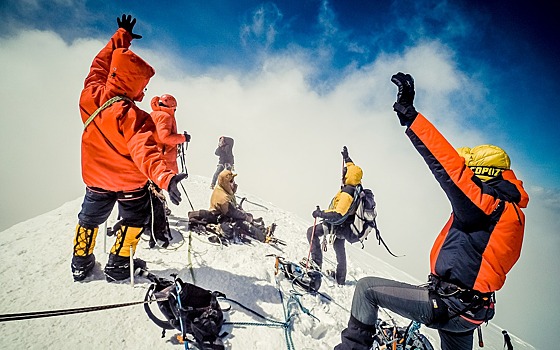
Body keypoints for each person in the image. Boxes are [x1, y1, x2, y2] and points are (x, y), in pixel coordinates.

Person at [335, 72, 529, 350]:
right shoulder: (513, 211)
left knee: (367, 289)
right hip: (473, 311)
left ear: (483, 173)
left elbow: (450, 167)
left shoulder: (486, 204)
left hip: (449, 305)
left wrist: (409, 115)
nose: (470, 178)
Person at [72, 14, 187, 282]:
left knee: (88, 219)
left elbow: (99, 66)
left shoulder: (90, 96)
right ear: (133, 83)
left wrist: (121, 36)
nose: (145, 92)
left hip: (96, 180)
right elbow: (145, 152)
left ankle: (80, 262)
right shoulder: (135, 117)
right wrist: (165, 178)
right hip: (129, 185)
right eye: (143, 85)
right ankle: (119, 264)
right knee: (134, 220)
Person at [307, 146, 363, 286]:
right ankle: (340, 279)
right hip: (346, 227)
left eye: (345, 172)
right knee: (339, 247)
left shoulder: (347, 194)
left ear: (349, 176)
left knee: (312, 232)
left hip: (337, 225)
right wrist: (347, 157)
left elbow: (338, 214)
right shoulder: (356, 185)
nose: (343, 173)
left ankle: (316, 264)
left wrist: (320, 213)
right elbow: (352, 168)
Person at [146, 94, 191, 248]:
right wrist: (182, 138)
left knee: (152, 189)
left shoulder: (154, 114)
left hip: (153, 157)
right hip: (162, 158)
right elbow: (165, 137)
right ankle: (156, 226)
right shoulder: (165, 116)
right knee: (156, 190)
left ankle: (151, 218)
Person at [209, 169, 267, 243]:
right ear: (225, 182)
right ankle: (261, 236)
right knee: (243, 222)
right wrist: (245, 217)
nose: (233, 182)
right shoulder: (223, 197)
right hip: (221, 218)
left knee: (247, 216)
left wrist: (233, 190)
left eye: (233, 180)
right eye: (231, 181)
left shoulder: (222, 188)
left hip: (226, 215)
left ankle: (260, 229)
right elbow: (231, 212)